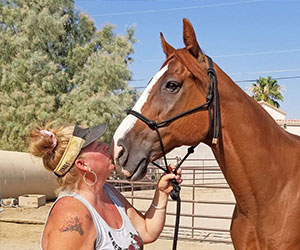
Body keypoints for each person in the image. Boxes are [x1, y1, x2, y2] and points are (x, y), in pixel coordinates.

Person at [29, 122, 182, 250]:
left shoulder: (109, 193)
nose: (106, 146)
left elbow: (147, 231)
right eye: (97, 146)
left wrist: (162, 192)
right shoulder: (71, 216)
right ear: (83, 165)